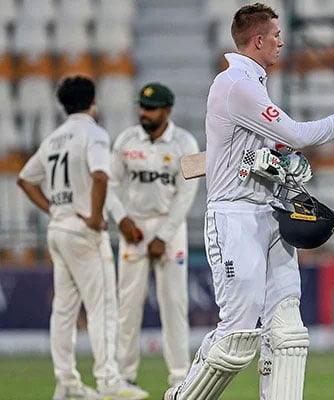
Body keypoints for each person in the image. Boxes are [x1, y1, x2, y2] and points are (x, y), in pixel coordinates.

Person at [163, 3, 334, 400]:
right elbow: (296, 133)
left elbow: (268, 146)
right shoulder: (237, 84)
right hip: (235, 216)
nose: (281, 41)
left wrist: (283, 162)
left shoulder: (252, 82)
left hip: (269, 213)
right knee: (237, 336)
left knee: (288, 331)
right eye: (275, 35)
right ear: (257, 40)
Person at [16, 75, 148, 400]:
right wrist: (93, 216)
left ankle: (67, 384)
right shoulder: (95, 133)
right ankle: (109, 381)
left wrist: (53, 209)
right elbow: (101, 175)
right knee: (103, 306)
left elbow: (24, 180)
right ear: (93, 102)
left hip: (58, 230)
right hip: (84, 233)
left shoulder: (54, 139)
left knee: (63, 311)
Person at [106, 82, 200, 394]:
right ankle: (124, 376)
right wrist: (121, 219)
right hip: (134, 227)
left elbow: (186, 196)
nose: (144, 113)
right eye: (142, 107)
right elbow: (108, 184)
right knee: (127, 304)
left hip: (170, 229)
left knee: (174, 303)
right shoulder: (126, 140)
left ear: (167, 110)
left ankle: (179, 377)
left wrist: (164, 235)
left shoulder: (185, 143)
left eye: (151, 108)